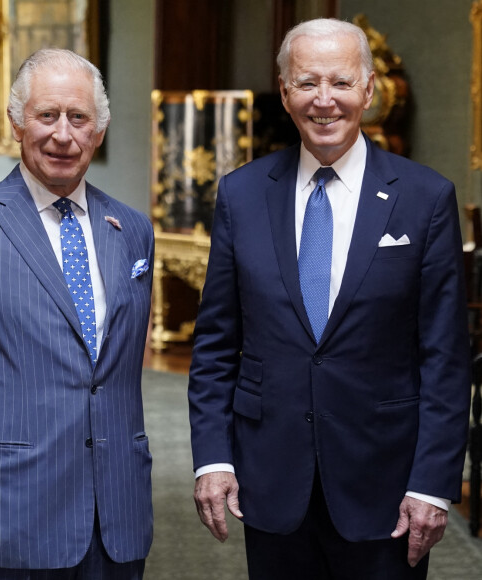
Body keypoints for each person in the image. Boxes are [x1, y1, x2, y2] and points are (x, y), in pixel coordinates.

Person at [188, 18, 471, 580]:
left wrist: (433, 485)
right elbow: (217, 343)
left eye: (340, 83)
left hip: (385, 486)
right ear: (284, 91)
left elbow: (445, 357)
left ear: (368, 91)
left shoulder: (425, 197)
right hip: (270, 479)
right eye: (307, 83)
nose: (324, 101)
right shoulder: (241, 194)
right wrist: (213, 458)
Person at [0, 48, 154, 580]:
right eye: (47, 116)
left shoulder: (133, 230)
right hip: (9, 507)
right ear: (17, 123)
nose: (63, 135)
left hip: (115, 509)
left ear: (100, 130)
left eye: (79, 118)